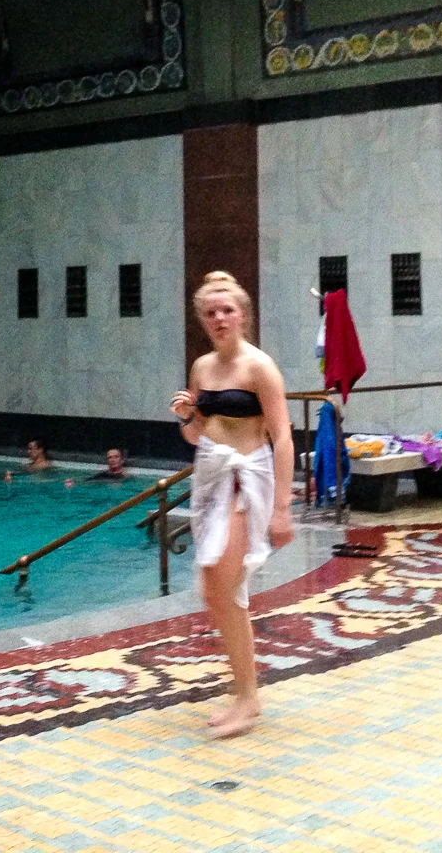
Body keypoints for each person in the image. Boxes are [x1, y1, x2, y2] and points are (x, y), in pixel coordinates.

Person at [171, 270, 295, 739]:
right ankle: (242, 689)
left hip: (248, 478)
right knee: (213, 591)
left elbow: (282, 437)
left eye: (228, 310)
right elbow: (197, 435)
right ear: (203, 320)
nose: (220, 318)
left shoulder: (259, 367)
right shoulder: (202, 368)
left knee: (227, 587)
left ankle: (249, 696)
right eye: (211, 313)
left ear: (242, 314)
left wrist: (282, 508)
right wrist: (188, 415)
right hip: (212, 475)